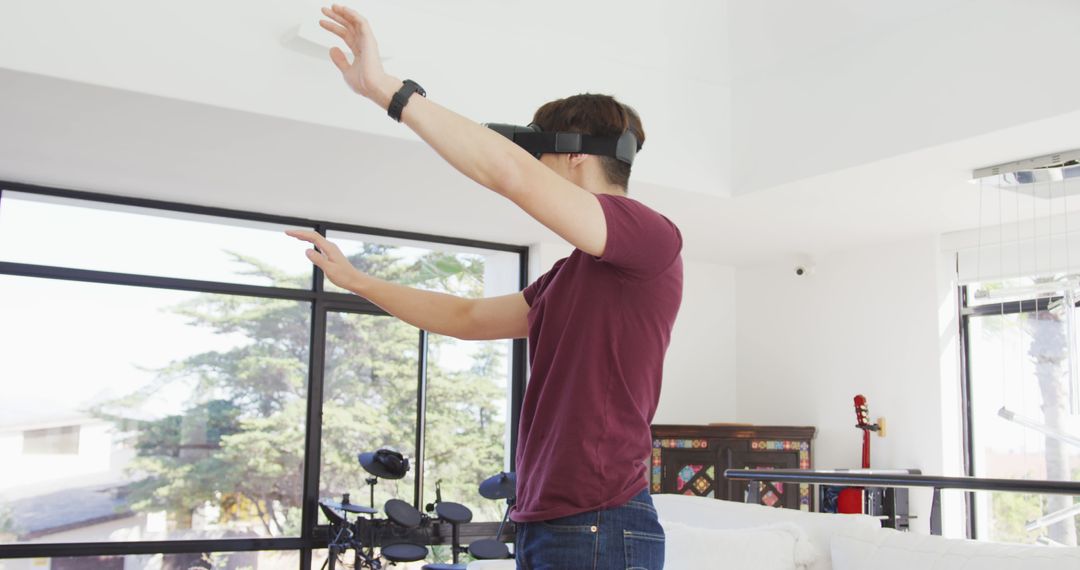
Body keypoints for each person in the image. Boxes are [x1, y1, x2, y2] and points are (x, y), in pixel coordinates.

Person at [287, 5, 683, 569]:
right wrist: (355, 281)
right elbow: (468, 318)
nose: (531, 166)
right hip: (550, 520)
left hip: (602, 520)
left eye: (537, 153)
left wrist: (387, 91)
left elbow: (508, 173)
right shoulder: (572, 275)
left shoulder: (650, 237)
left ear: (574, 154)